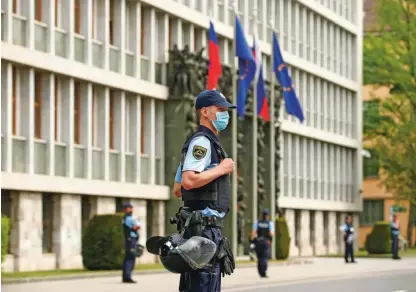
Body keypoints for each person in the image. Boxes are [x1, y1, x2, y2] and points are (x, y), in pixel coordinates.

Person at [175, 89, 236, 292]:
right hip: (203, 230)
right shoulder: (202, 142)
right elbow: (188, 181)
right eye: (220, 109)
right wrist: (221, 169)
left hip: (200, 229)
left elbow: (178, 189)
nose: (224, 114)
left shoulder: (204, 144)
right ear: (205, 112)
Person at [250, 209, 274, 278]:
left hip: (258, 242)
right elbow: (271, 234)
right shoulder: (269, 223)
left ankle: (260, 271)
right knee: (264, 257)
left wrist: (252, 242)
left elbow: (253, 233)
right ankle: (263, 272)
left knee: (259, 258)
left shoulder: (257, 222)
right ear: (267, 215)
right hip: (265, 242)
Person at [122, 202, 141, 283]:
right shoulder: (128, 218)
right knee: (131, 258)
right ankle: (127, 277)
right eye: (129, 208)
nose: (131, 209)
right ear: (126, 209)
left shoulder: (127, 218)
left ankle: (125, 276)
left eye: (131, 207)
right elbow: (137, 227)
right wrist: (137, 221)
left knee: (128, 258)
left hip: (129, 240)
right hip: (131, 240)